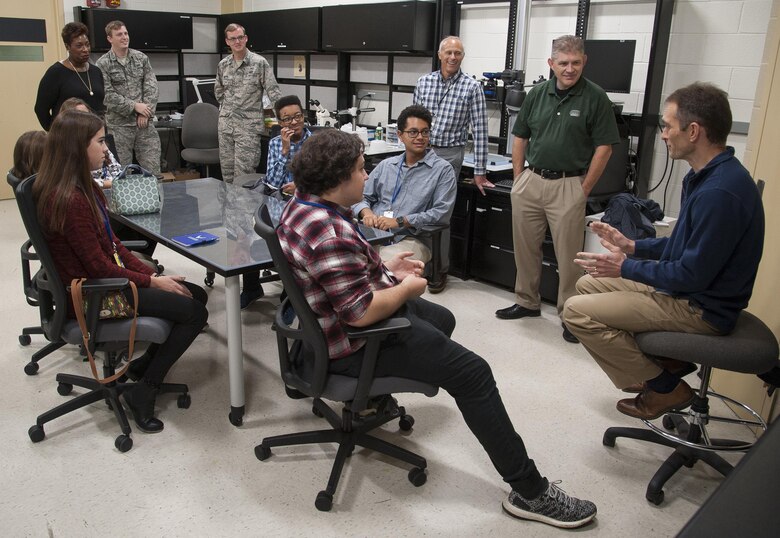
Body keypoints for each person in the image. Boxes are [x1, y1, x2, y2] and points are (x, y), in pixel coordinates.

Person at [278, 128, 597, 529]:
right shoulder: (328, 230)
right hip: (352, 344)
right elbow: (359, 314)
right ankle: (531, 492)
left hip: (319, 334)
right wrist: (407, 286)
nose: (366, 177)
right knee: (473, 373)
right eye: (361, 170)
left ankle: (375, 397)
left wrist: (385, 269)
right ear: (337, 179)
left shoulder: (302, 207)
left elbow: (341, 272)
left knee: (442, 319)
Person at [562, 82, 764, 420]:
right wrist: (633, 246)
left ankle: (665, 386)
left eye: (668, 126)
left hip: (702, 308)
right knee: (586, 284)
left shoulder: (720, 192)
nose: (664, 134)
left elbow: (690, 273)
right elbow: (686, 245)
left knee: (576, 312)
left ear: (694, 131)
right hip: (691, 290)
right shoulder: (703, 177)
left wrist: (624, 267)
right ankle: (663, 365)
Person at [32, 110, 209, 433]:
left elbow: (113, 245)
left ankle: (142, 366)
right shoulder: (70, 200)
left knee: (194, 294)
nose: (106, 149)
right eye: (99, 141)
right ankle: (146, 389)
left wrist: (148, 273)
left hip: (104, 281)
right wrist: (152, 281)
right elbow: (98, 267)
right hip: (92, 296)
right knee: (194, 311)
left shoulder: (84, 188)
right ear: (76, 148)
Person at [495, 35, 620, 344]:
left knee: (569, 257)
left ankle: (570, 314)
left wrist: (584, 189)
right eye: (563, 63)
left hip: (569, 184)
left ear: (584, 62)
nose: (569, 69)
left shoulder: (596, 98)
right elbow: (520, 136)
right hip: (531, 181)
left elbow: (604, 147)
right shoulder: (537, 94)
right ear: (551, 64)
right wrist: (518, 177)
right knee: (525, 248)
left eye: (575, 63)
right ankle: (527, 301)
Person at [352, 104, 456, 293]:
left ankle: (377, 313)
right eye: (413, 132)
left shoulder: (442, 170)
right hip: (375, 234)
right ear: (400, 135)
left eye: (425, 132)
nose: (420, 138)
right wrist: (366, 212)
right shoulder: (386, 165)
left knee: (382, 269)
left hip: (412, 238)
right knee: (346, 261)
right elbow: (359, 196)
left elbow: (441, 213)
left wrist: (400, 221)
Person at [240, 95, 312, 309]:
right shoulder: (275, 143)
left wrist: (301, 188)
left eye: (298, 116)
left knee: (291, 241)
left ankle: (289, 299)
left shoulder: (318, 143)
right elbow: (272, 182)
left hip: (306, 203)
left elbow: (326, 179)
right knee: (250, 230)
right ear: (280, 123)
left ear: (303, 116)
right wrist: (284, 150)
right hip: (278, 201)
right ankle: (252, 287)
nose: (294, 122)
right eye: (287, 119)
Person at [413, 36, 491, 194]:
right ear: (440, 54)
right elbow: (413, 122)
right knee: (415, 200)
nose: (453, 57)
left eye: (458, 53)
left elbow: (480, 131)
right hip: (421, 151)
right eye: (448, 52)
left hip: (450, 155)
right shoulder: (423, 82)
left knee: (441, 205)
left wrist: (480, 171)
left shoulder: (472, 87)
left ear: (462, 56)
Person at [214, 23, 282, 183]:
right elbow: (219, 92)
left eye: (240, 37)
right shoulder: (223, 65)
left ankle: (243, 209)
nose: (237, 42)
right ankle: (229, 208)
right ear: (227, 42)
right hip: (226, 127)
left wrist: (283, 119)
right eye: (233, 39)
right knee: (227, 175)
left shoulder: (259, 63)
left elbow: (274, 92)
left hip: (248, 129)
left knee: (243, 177)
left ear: (246, 39)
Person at [96, 20, 162, 175]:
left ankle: (156, 200)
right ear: (110, 38)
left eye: (126, 33)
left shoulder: (141, 58)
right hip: (119, 128)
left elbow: (152, 86)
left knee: (153, 173)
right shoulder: (102, 63)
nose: (124, 37)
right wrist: (134, 106)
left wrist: (144, 111)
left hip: (144, 124)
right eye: (119, 34)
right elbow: (107, 95)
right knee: (120, 174)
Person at [35, 22, 105, 131]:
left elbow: (101, 106)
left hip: (95, 135)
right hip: (69, 137)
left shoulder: (96, 71)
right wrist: (56, 133)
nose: (85, 49)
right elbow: (40, 109)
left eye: (87, 44)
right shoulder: (56, 72)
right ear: (68, 47)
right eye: (79, 45)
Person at [58, 97, 122, 188]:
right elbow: (76, 182)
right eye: (81, 116)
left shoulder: (100, 144)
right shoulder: (65, 151)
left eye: (88, 114)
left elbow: (117, 172)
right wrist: (110, 184)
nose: (87, 120)